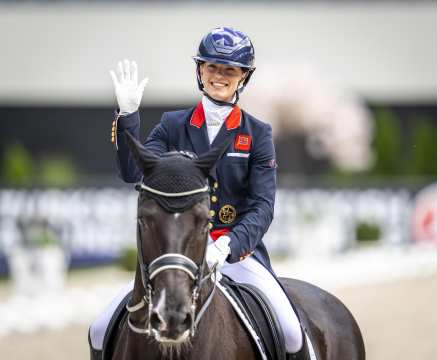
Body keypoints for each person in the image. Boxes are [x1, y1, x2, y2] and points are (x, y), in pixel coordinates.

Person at [91, 26, 303, 358]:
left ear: (243, 77)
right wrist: (128, 116)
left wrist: (227, 245)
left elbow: (263, 206)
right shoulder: (174, 125)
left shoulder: (257, 134)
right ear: (200, 71)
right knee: (101, 329)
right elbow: (133, 172)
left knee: (291, 332)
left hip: (235, 257)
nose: (219, 76)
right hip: (176, 253)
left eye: (229, 70)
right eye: (212, 67)